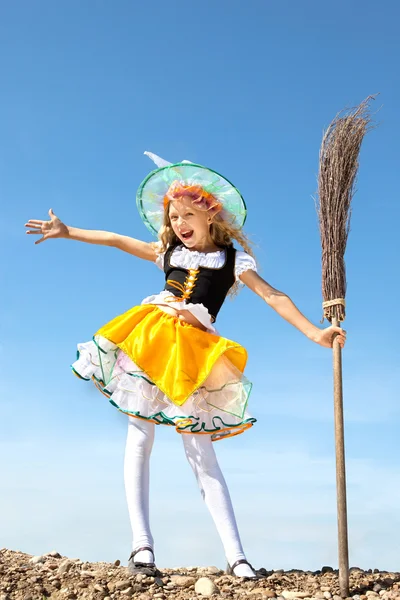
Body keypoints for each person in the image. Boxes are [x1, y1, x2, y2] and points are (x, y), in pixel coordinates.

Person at [25, 152, 346, 579]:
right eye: (173, 217)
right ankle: (142, 546)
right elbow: (119, 240)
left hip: (194, 353)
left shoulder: (234, 261)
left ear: (210, 216)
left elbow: (273, 296)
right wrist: (70, 232)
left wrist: (313, 333)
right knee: (139, 437)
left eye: (187, 215)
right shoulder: (169, 252)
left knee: (201, 452)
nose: (178, 223)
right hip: (152, 339)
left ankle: (237, 557)